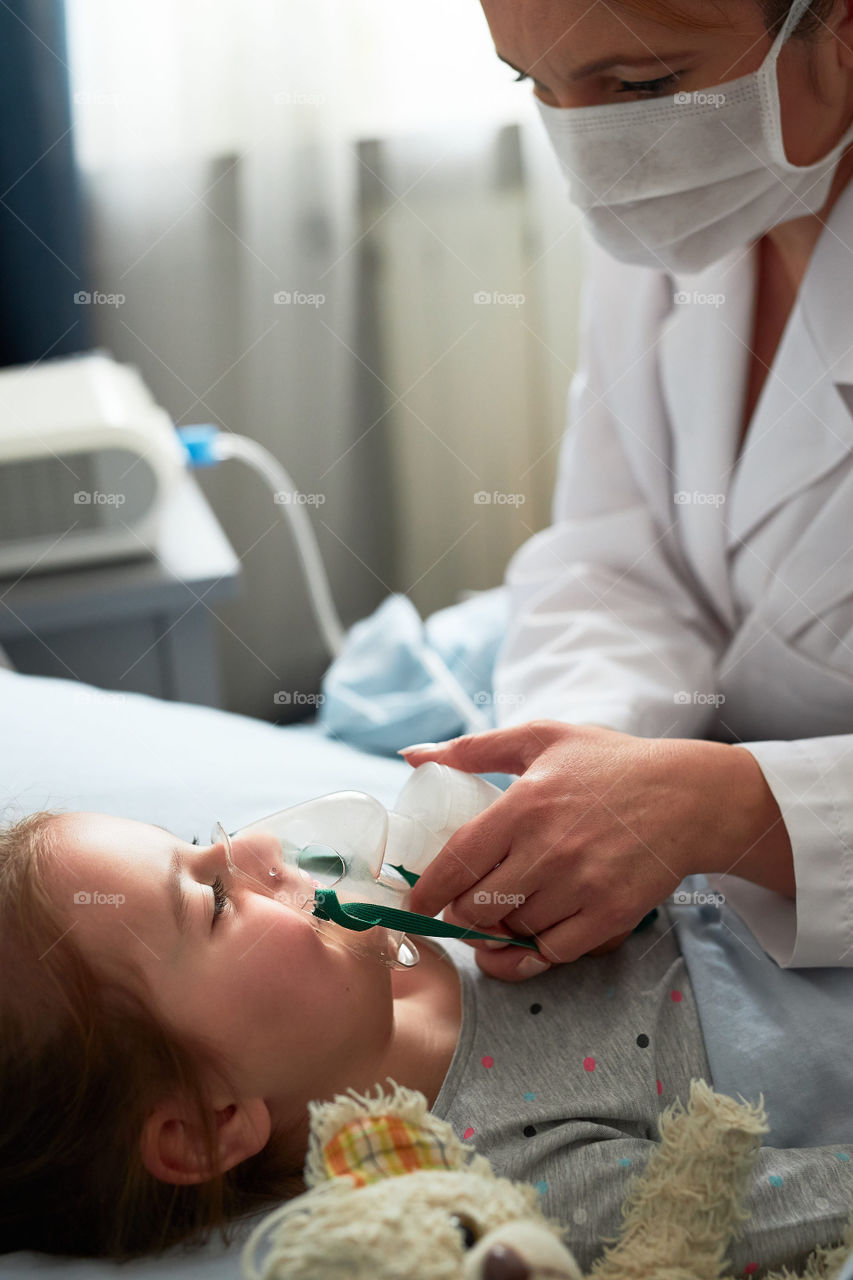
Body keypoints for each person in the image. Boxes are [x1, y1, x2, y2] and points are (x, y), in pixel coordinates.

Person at [402, 0, 853, 979]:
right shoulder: (690, 219)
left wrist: (732, 809)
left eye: (643, 84)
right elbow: (616, 558)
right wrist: (583, 759)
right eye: (534, 85)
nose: (590, 158)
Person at [1, 808, 851, 1273]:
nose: (255, 841)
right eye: (215, 899)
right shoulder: (506, 1179)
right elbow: (786, 1205)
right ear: (207, 1126)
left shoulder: (420, 920)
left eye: (200, 841)